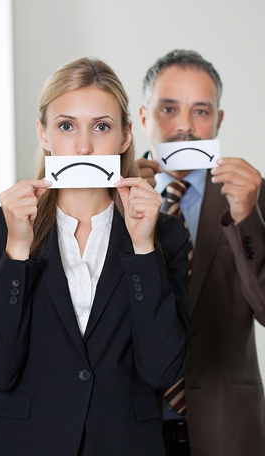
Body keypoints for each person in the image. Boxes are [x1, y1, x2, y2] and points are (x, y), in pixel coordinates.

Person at [0, 57, 190, 455]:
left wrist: (143, 250)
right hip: (21, 444)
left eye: (101, 127)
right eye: (66, 126)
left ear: (124, 137)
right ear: (44, 133)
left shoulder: (165, 233)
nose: (84, 145)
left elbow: (163, 369)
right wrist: (17, 252)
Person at [137, 49, 265, 456]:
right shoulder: (107, 196)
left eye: (201, 112)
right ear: (143, 117)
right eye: (169, 109)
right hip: (132, 423)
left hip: (228, 427)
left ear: (219, 120)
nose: (185, 127)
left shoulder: (251, 198)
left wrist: (246, 217)